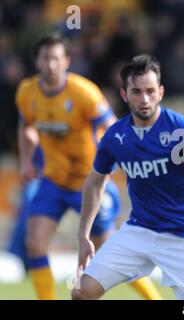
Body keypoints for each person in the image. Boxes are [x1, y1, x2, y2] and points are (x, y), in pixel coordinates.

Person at [71, 54, 184, 300]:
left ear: (160, 92)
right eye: (136, 92)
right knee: (80, 292)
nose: (144, 99)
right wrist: (84, 234)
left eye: (150, 91)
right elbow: (96, 181)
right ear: (124, 95)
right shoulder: (114, 137)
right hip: (139, 230)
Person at [16, 33, 161, 300]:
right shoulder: (27, 92)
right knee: (34, 243)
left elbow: (112, 127)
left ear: (67, 61)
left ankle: (155, 298)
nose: (51, 65)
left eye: (56, 59)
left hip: (89, 181)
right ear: (37, 60)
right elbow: (26, 127)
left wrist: (116, 161)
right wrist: (26, 161)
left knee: (110, 251)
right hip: (53, 179)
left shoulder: (84, 92)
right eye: (46, 58)